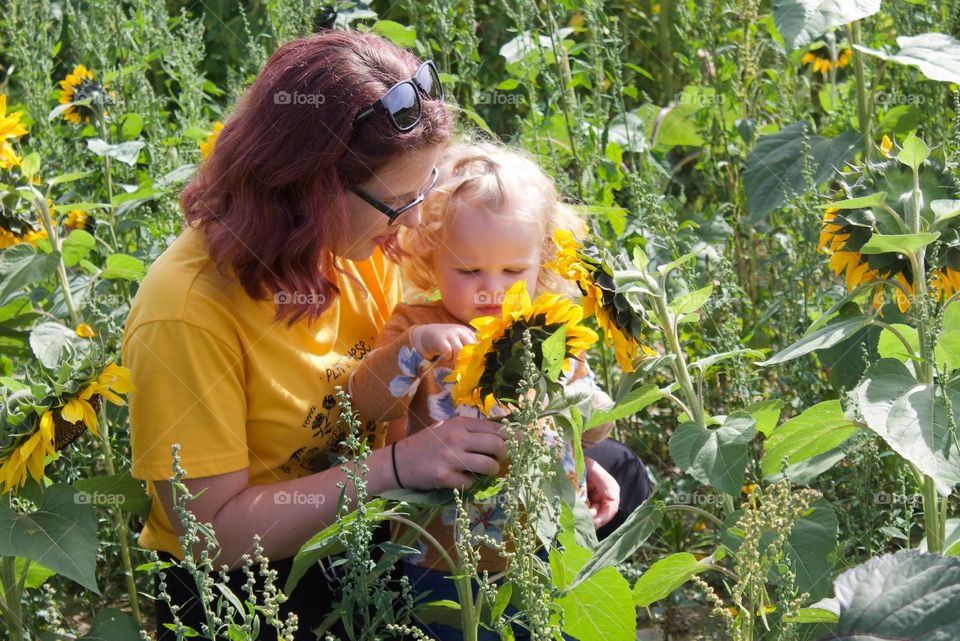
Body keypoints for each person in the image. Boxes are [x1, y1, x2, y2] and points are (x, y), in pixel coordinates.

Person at [121, 32, 624, 640]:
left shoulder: (359, 239)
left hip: (374, 510)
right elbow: (212, 534)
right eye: (397, 202)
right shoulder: (186, 310)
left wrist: (559, 454)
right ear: (313, 190)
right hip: (258, 574)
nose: (415, 221)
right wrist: (400, 465)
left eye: (421, 188)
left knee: (615, 466)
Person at [348, 142, 633, 640]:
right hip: (443, 560)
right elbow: (366, 404)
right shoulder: (418, 325)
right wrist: (414, 350)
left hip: (551, 545)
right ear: (431, 259)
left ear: (541, 260)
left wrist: (587, 401)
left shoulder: (548, 330)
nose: (491, 290)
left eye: (512, 271)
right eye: (468, 270)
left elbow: (592, 430)